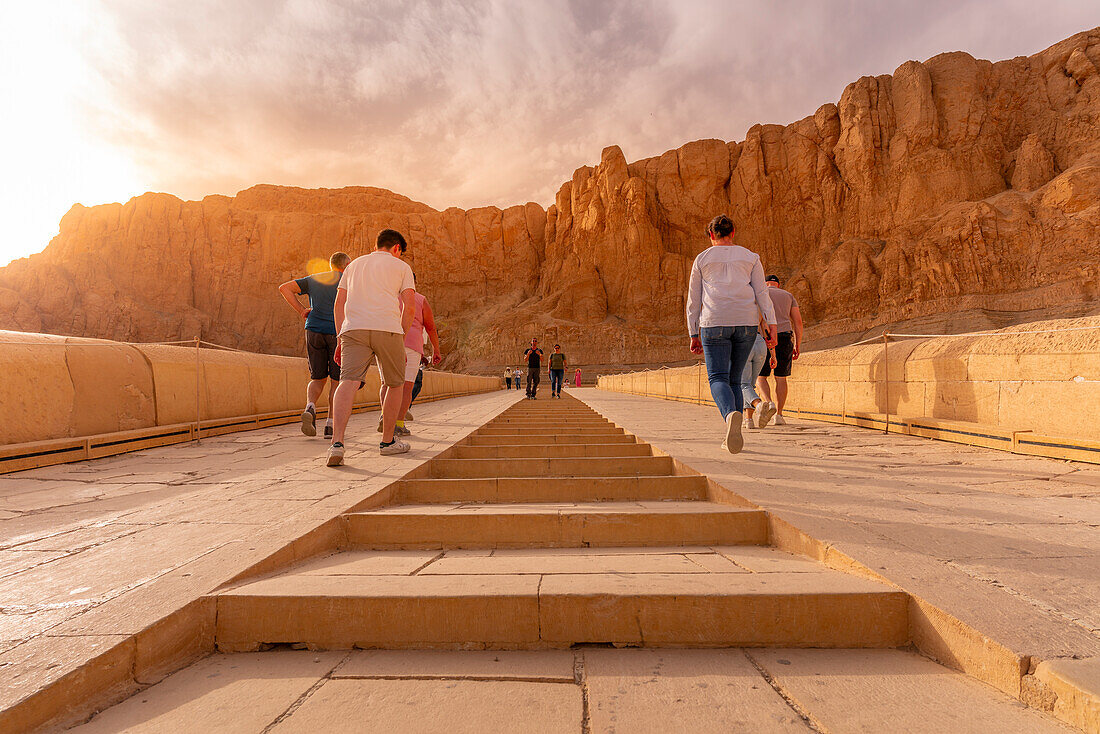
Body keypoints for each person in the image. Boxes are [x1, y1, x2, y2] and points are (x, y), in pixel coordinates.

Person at [687, 214, 777, 454]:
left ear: (710, 235)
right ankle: (733, 436)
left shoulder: (702, 258)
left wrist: (693, 332)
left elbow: (693, 300)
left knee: (717, 377)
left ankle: (730, 416)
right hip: (746, 323)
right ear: (733, 232)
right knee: (736, 379)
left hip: (713, 321)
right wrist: (772, 327)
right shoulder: (750, 257)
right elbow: (762, 294)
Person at [327, 229, 416, 466]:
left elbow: (339, 303)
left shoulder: (353, 265)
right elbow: (409, 307)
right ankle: (387, 442)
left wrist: (340, 337)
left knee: (348, 381)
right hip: (387, 327)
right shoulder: (402, 268)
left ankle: (337, 443)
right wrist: (401, 336)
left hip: (353, 328)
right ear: (397, 248)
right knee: (395, 384)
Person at [278, 251, 351, 440]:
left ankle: (310, 406)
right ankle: (330, 425)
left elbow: (284, 288)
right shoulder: (348, 280)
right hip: (337, 333)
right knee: (336, 381)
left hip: (313, 330)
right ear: (346, 265)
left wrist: (302, 310)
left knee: (318, 377)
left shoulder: (314, 279)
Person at [376, 276, 441, 437]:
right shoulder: (420, 300)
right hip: (411, 345)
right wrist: (436, 350)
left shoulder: (386, 296)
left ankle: (385, 416)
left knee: (386, 383)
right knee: (406, 386)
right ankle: (398, 424)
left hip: (386, 341)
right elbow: (431, 327)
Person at [756, 275, 803, 425]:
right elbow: (798, 322)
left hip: (765, 336)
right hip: (784, 336)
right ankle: (779, 415)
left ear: (765, 283)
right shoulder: (788, 296)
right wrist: (797, 345)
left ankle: (769, 403)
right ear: (778, 284)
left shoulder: (760, 294)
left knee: (760, 376)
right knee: (781, 378)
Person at [740, 314, 778, 430]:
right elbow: (766, 329)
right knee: (750, 385)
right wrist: (773, 354)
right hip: (760, 343)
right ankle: (749, 420)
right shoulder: (759, 307)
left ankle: (759, 405)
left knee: (743, 384)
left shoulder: (736, 302)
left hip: (744, 341)